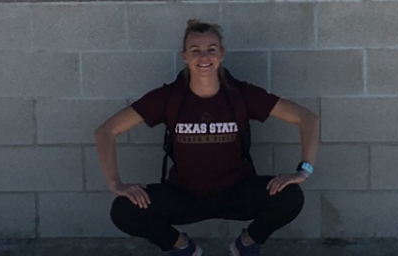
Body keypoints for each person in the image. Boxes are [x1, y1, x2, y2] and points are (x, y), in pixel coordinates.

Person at [94, 19, 320, 256]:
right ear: (184, 56)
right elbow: (105, 131)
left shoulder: (240, 93)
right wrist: (115, 183)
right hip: (184, 195)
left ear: (221, 54)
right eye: (196, 50)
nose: (204, 57)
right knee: (123, 210)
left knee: (291, 196)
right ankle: (183, 248)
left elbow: (308, 118)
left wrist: (304, 170)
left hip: (236, 192)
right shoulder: (169, 97)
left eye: (211, 50)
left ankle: (246, 243)